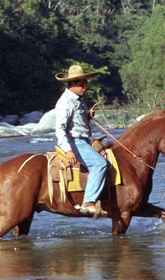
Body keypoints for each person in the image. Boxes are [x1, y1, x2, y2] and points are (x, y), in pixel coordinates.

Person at [54, 65, 108, 216]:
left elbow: (75, 122)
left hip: (83, 140)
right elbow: (60, 128)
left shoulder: (78, 99)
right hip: (75, 142)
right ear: (72, 84)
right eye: (82, 84)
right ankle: (88, 202)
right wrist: (68, 150)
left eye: (86, 83)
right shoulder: (66, 102)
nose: (86, 86)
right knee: (100, 164)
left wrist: (88, 116)